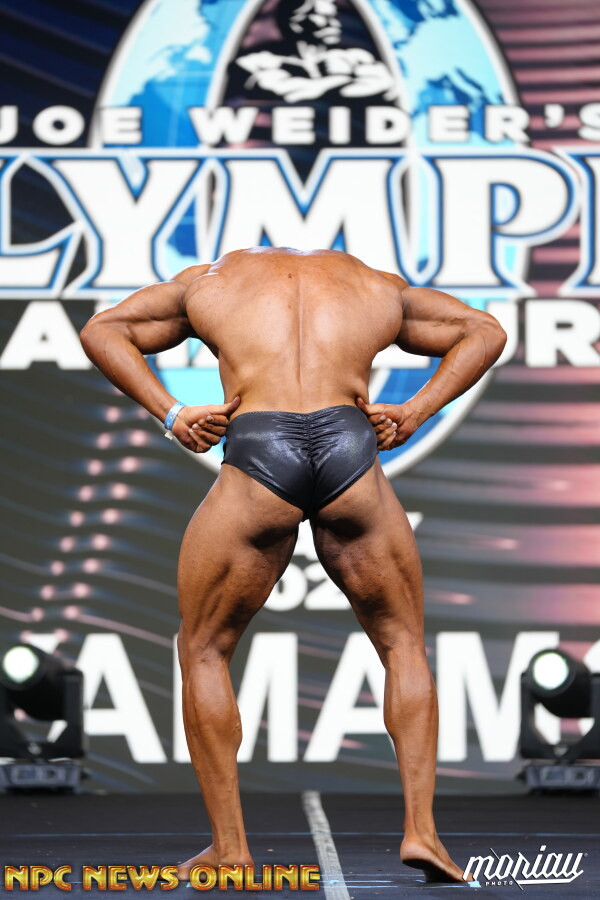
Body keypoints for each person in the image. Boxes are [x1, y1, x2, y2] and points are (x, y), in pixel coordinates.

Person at [79, 247, 506, 884]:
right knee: (402, 644)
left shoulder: (212, 281)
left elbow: (102, 330)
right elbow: (485, 331)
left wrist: (172, 413)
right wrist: (415, 412)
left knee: (203, 649)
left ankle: (231, 849)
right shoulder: (375, 285)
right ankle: (423, 833)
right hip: (350, 447)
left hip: (259, 445)